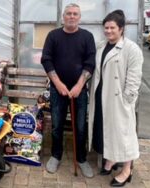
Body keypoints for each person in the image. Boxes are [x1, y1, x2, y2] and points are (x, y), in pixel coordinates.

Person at [88, 10, 143, 187]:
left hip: (119, 99)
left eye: (112, 28)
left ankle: (127, 170)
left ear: (121, 29)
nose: (109, 31)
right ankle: (111, 160)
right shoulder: (102, 46)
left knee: (123, 134)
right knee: (107, 130)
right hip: (102, 96)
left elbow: (134, 79)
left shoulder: (131, 49)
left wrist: (127, 100)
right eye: (106, 28)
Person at [41, 3, 96, 178]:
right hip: (58, 90)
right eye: (69, 14)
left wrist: (79, 85)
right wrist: (58, 84)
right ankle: (56, 156)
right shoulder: (53, 36)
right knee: (57, 126)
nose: (72, 16)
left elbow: (90, 62)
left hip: (79, 90)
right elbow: (46, 59)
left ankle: (81, 159)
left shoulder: (87, 37)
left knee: (80, 127)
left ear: (79, 17)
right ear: (63, 16)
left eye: (75, 14)